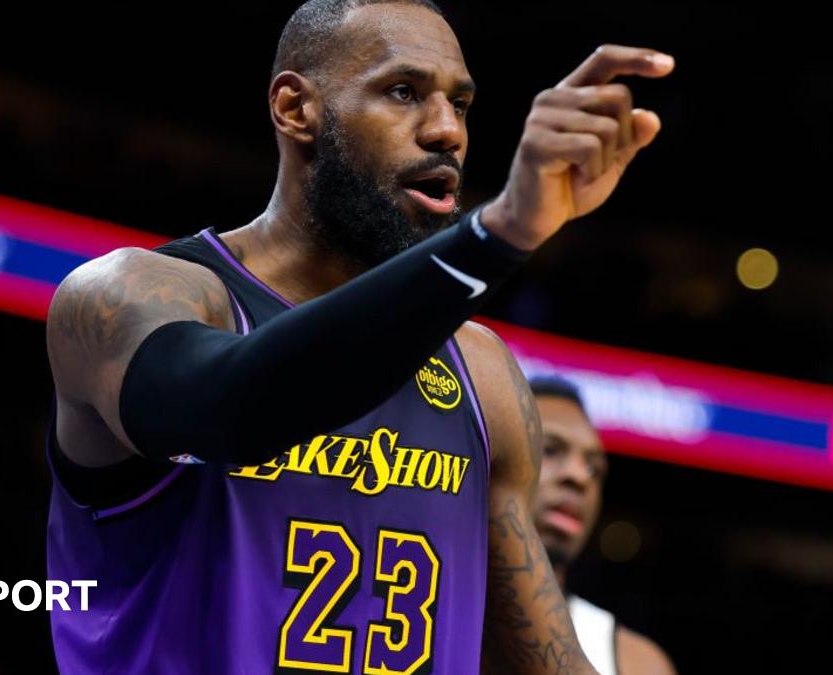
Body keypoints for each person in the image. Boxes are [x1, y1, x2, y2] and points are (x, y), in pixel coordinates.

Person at [43, 0, 673, 671]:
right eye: (403, 92)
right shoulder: (126, 297)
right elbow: (224, 411)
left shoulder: (482, 373)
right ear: (295, 108)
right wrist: (497, 237)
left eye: (460, 104)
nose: (446, 131)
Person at [531, 375, 677, 675]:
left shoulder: (638, 663)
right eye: (550, 450)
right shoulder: (422, 607)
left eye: (593, 468)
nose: (580, 477)